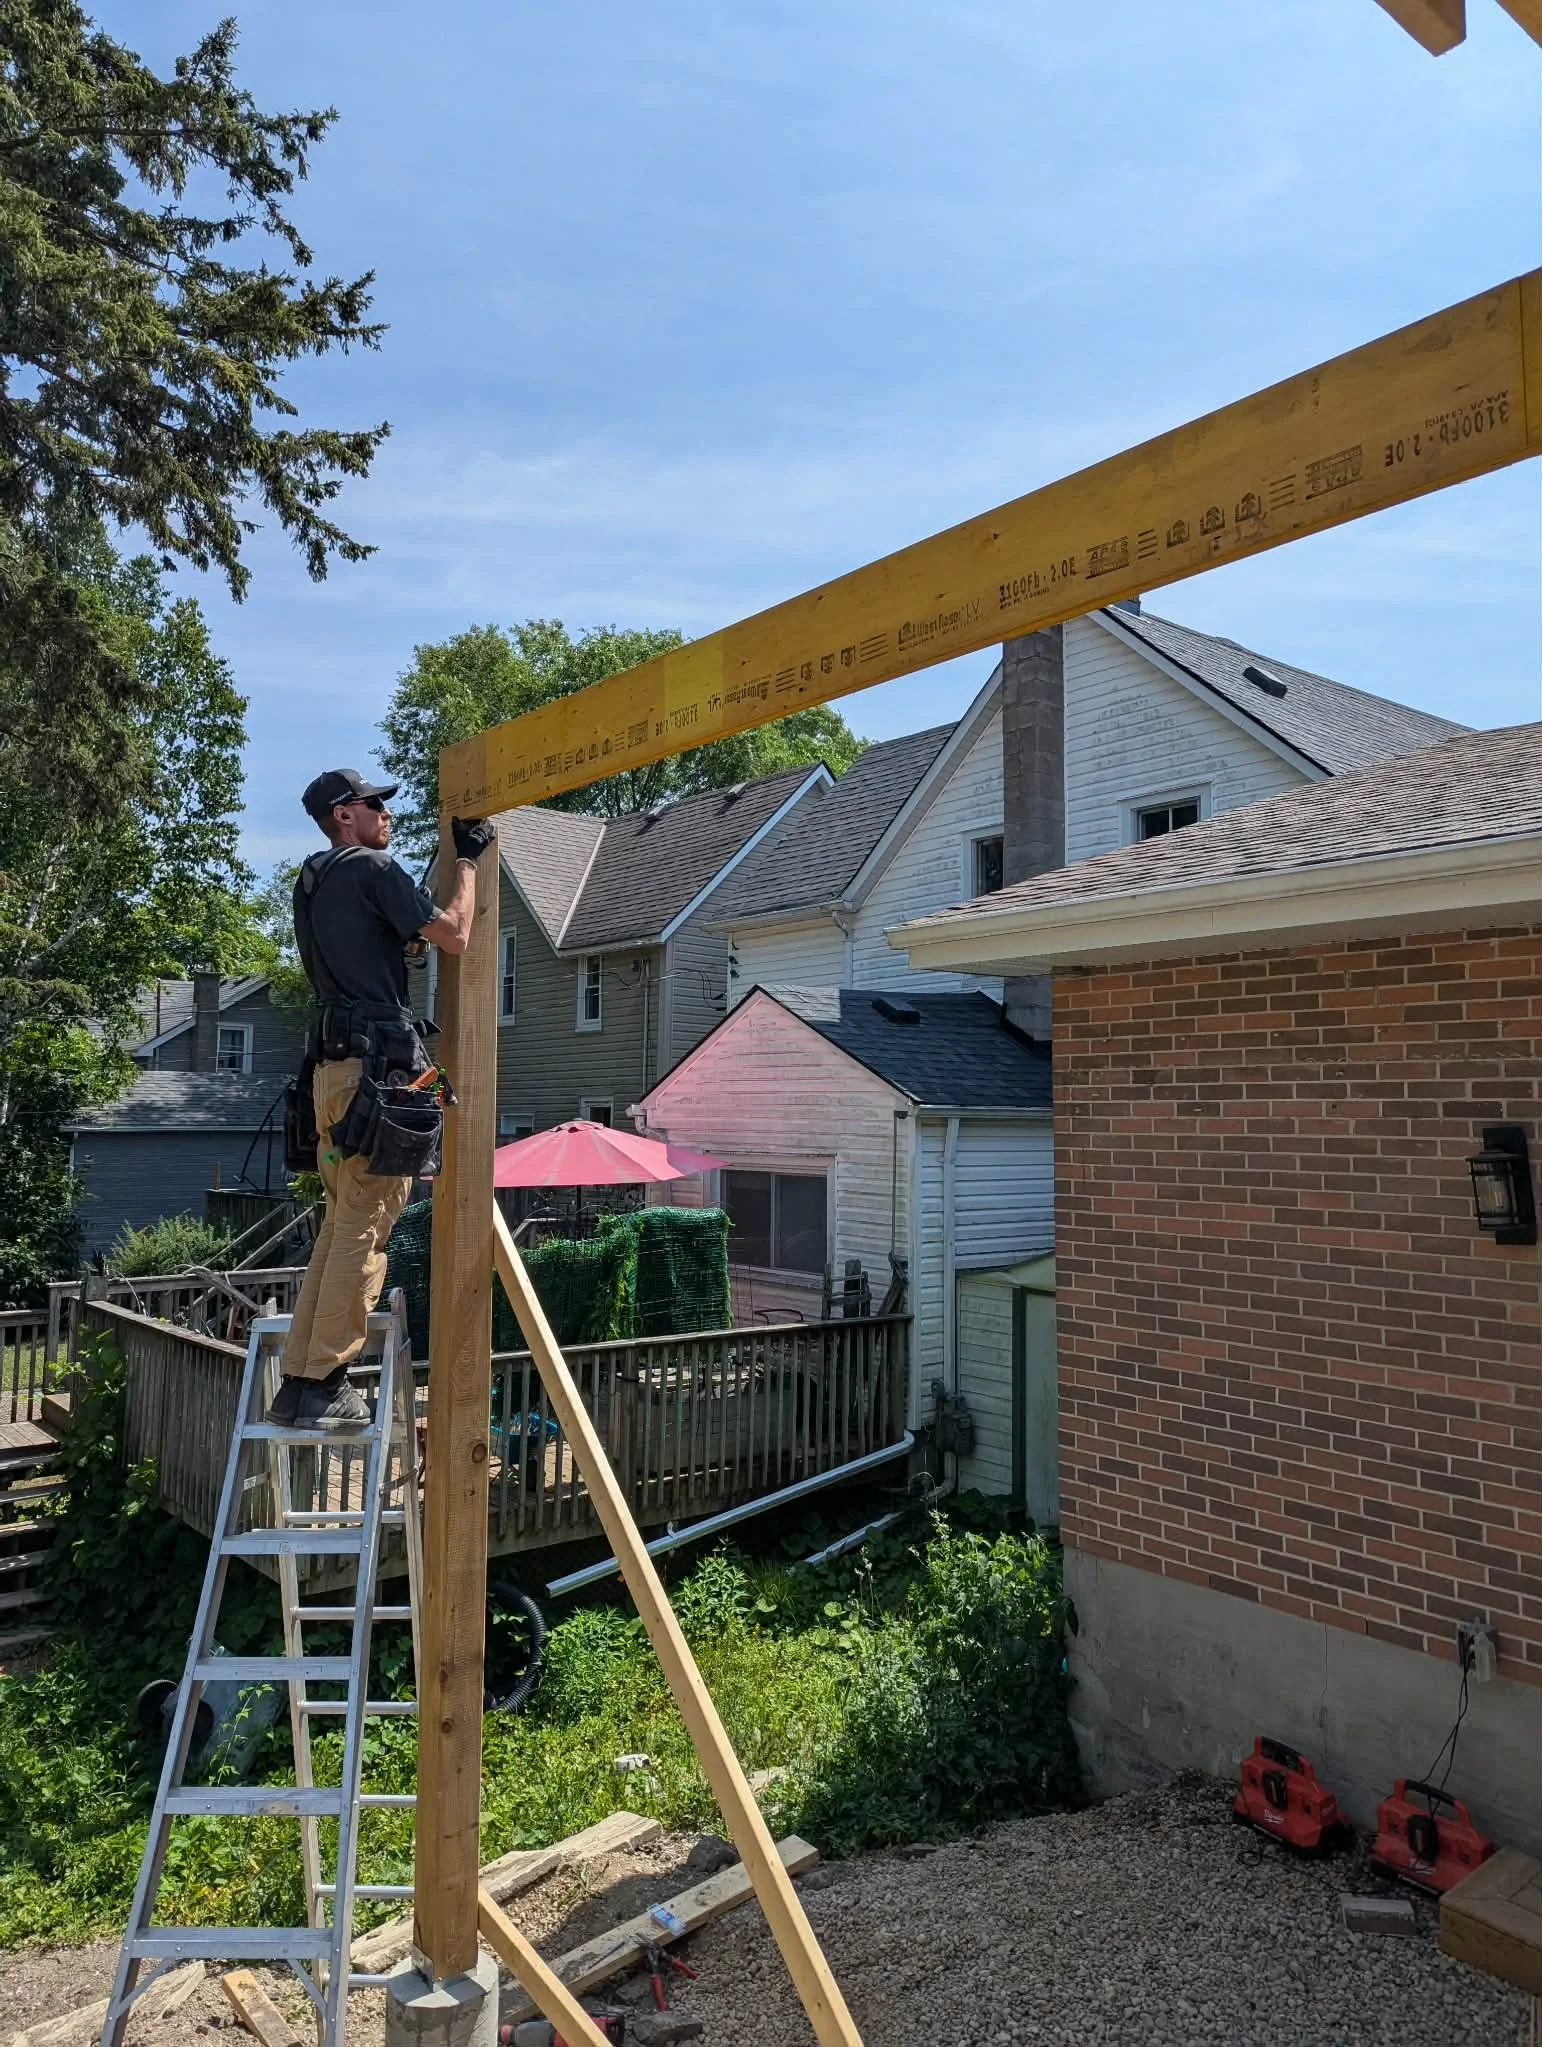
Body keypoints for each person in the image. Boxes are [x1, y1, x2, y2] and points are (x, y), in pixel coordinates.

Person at [268, 768, 496, 1429]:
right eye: (375, 804)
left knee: (341, 1225)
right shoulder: (373, 868)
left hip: (331, 1079)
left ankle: (300, 1381)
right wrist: (471, 862)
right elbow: (454, 933)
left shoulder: (312, 882)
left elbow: (385, 946)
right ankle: (325, 1384)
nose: (385, 812)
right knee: (365, 1227)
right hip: (377, 1075)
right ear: (345, 814)